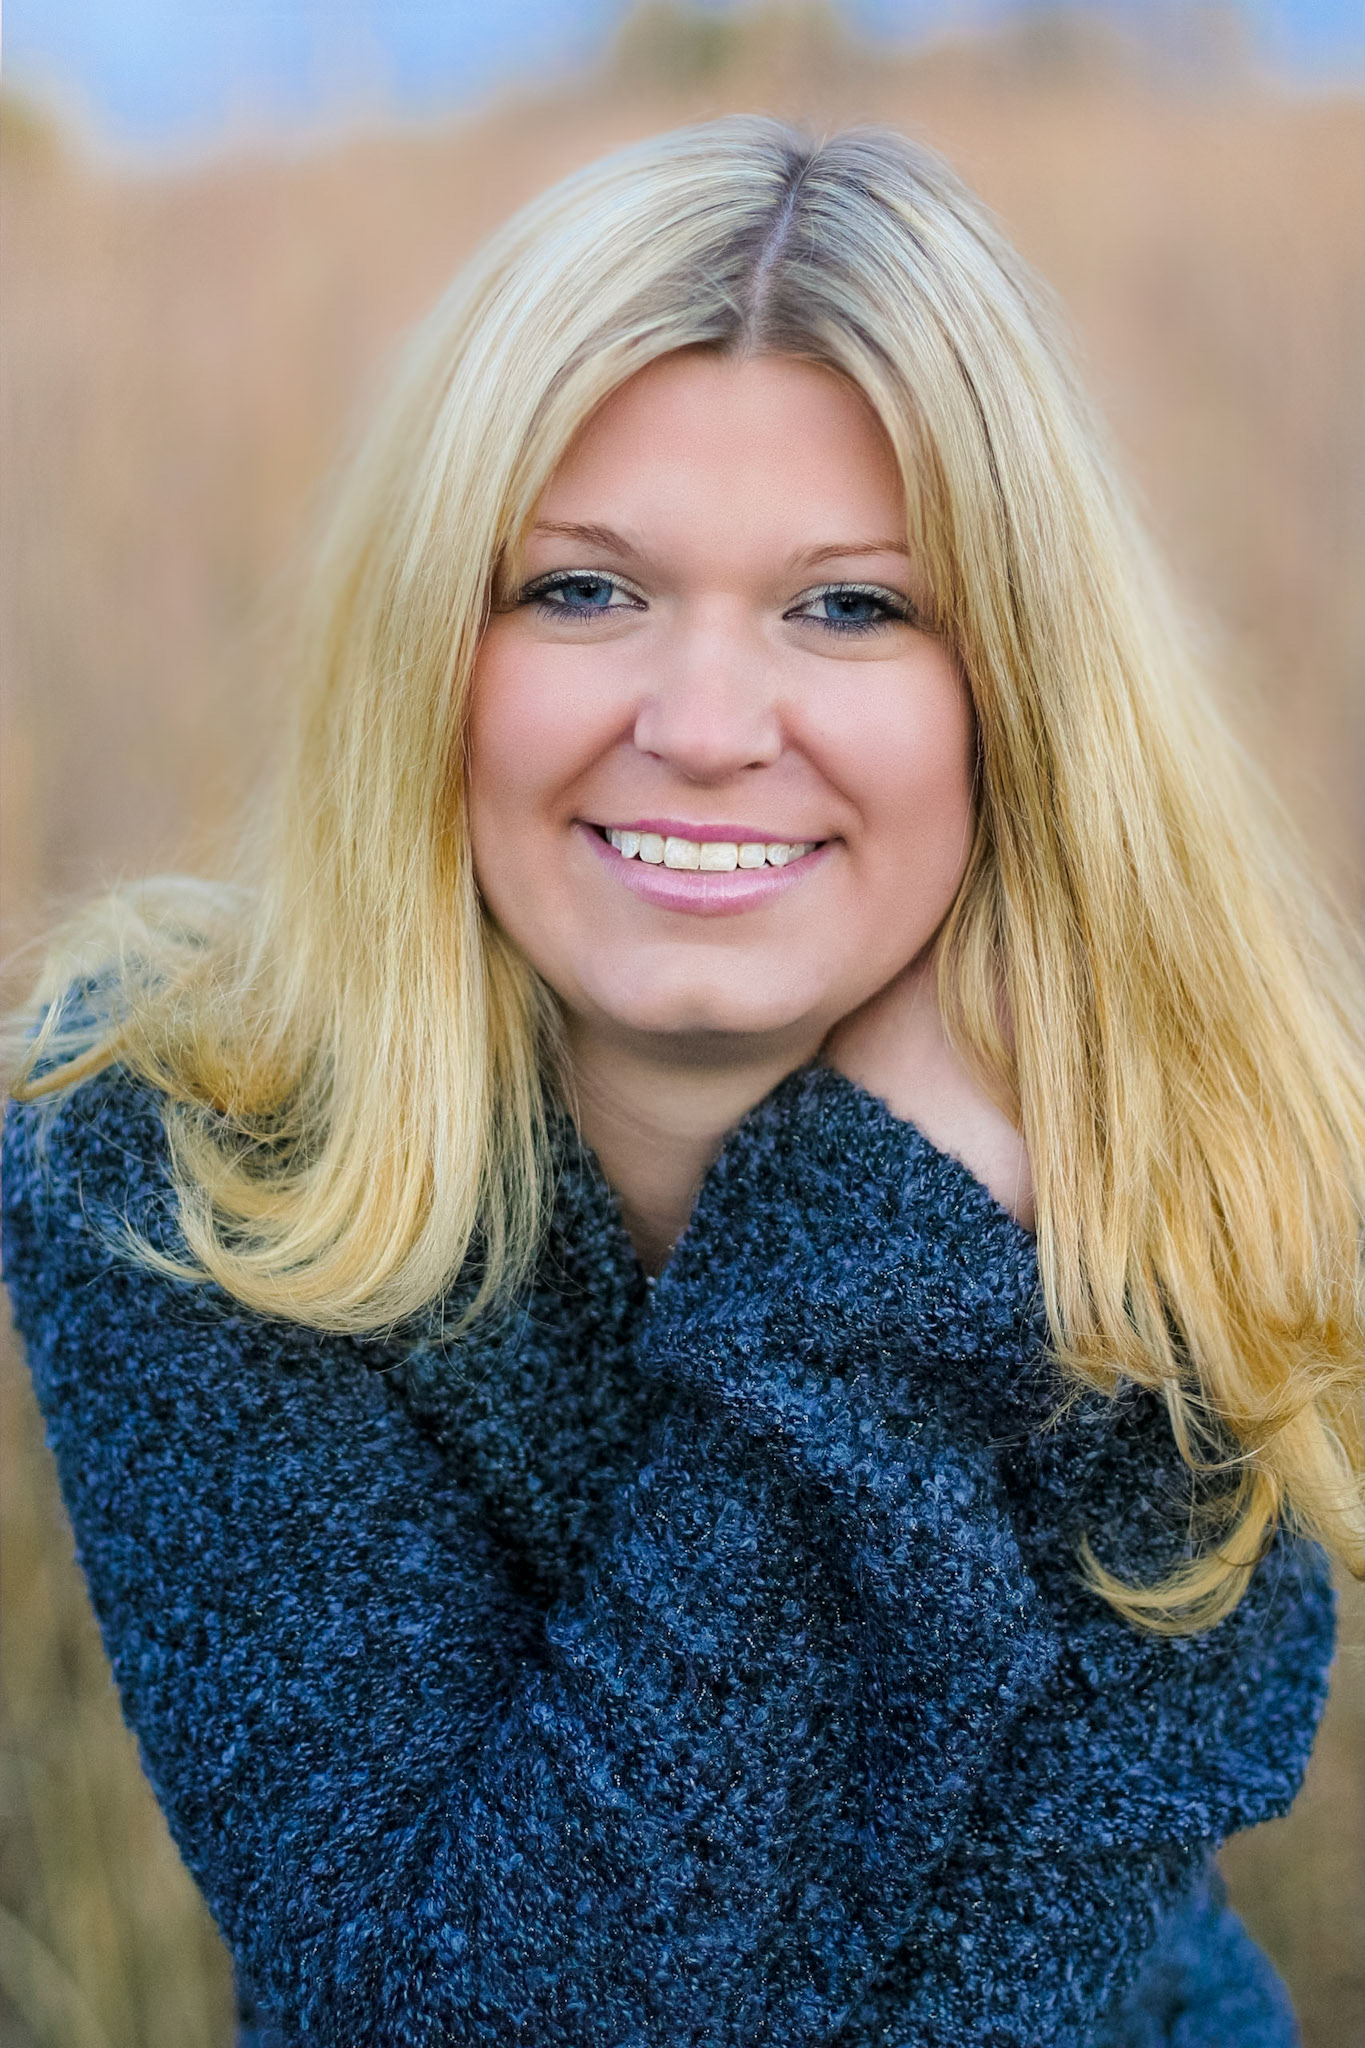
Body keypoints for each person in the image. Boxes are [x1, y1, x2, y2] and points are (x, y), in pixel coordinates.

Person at [2, 117, 1361, 2048]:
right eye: (581, 591)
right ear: (431, 648)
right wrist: (870, 1231)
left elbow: (1009, 2002)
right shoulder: (181, 1155)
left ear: (1019, 693)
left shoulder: (1184, 1162)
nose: (705, 728)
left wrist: (895, 1235)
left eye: (850, 605)